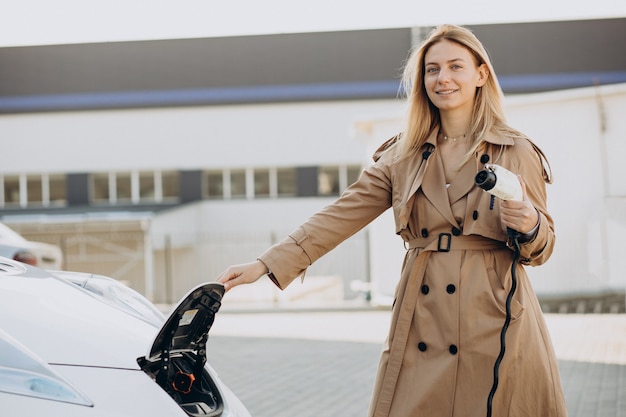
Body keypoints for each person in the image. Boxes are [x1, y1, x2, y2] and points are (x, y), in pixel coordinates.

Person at [216, 24, 567, 417]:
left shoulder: (515, 150)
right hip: (423, 317)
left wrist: (531, 223)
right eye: (432, 70)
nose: (443, 78)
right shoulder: (402, 155)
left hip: (495, 315)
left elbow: (543, 246)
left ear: (480, 75)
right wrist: (267, 263)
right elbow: (341, 213)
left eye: (456, 67)